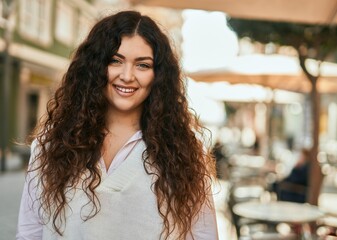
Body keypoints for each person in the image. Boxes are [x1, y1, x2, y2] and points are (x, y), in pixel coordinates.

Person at [16, 11, 218, 240]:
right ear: (95, 66)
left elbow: (203, 235)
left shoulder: (186, 153)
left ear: (158, 75)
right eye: (115, 60)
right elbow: (29, 234)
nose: (127, 75)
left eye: (142, 65)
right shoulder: (51, 147)